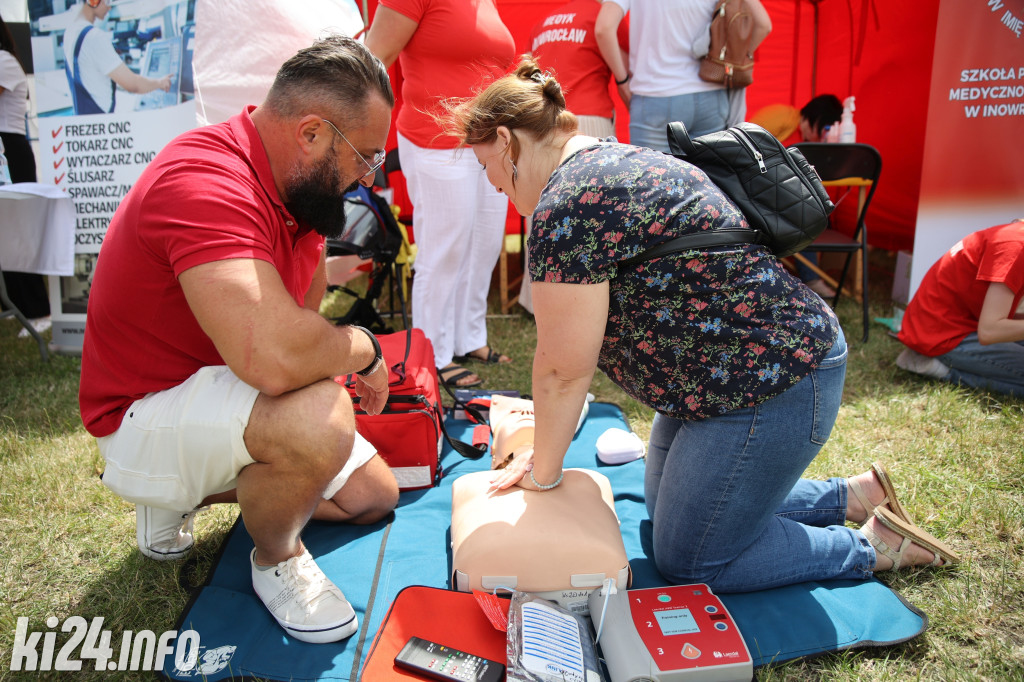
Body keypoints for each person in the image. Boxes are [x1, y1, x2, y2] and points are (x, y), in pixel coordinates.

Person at [450, 59, 959, 593]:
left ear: (507, 142)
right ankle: (850, 497)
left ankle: (873, 545)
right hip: (741, 375)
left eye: (487, 167)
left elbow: (561, 369)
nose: (495, 188)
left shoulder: (565, 206)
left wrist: (542, 472)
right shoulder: (613, 160)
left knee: (692, 560)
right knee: (670, 511)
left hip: (772, 382)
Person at [79, 36, 400, 643]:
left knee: (372, 494)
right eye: (366, 155)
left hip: (220, 385)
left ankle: (184, 494)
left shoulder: (297, 189)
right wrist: (365, 346)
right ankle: (274, 558)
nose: (367, 179)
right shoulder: (204, 179)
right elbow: (276, 358)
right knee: (318, 425)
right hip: (140, 412)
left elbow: (301, 337)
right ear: (311, 133)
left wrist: (320, 371)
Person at [365, 0, 515, 389]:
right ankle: (433, 353)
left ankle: (470, 338)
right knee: (444, 247)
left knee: (484, 243)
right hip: (435, 140)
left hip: (490, 141)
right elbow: (374, 58)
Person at [595, 0, 768, 153]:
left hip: (655, 96)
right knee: (708, 184)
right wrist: (733, 57)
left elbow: (604, 28)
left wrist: (622, 81)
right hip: (712, 97)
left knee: (653, 185)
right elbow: (763, 24)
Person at [896, 220, 1024, 398]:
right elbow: (990, 331)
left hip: (959, 323)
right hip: (942, 334)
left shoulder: (1016, 236)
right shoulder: (1016, 247)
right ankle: (939, 369)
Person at [0, 12, 50, 330]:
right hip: (7, 152)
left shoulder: (3, 59)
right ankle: (16, 306)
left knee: (18, 234)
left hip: (11, 153)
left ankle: (38, 311)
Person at [62, 0, 171, 115]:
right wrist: (160, 83)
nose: (109, 8)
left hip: (85, 121)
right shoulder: (94, 37)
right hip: (101, 123)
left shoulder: (70, 32)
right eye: (107, 2)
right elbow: (133, 85)